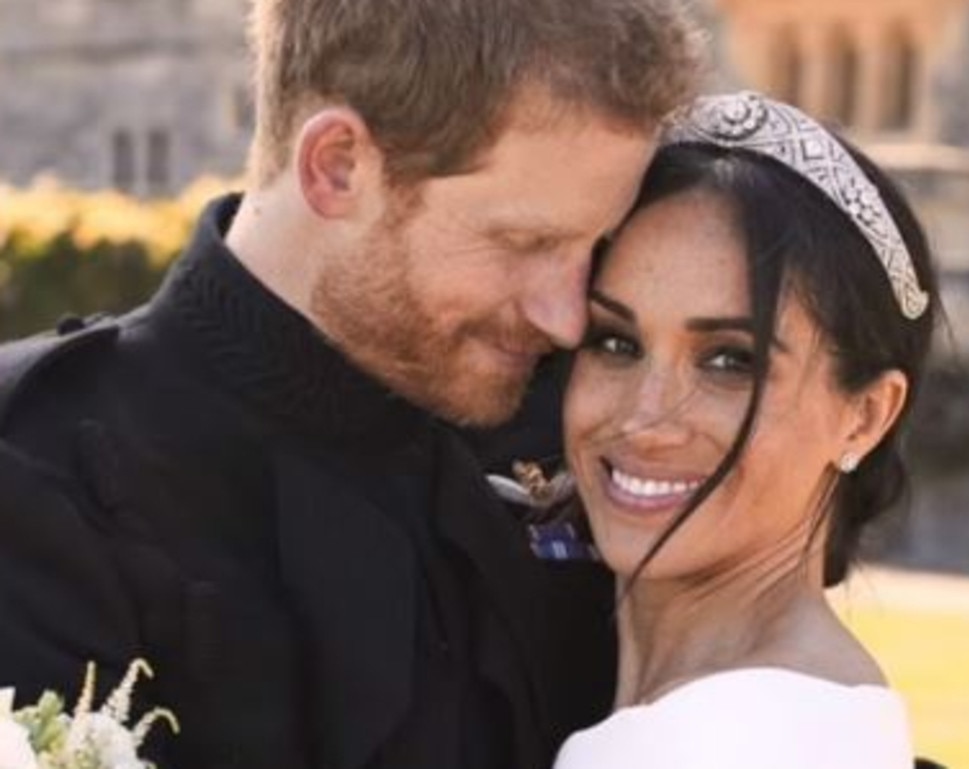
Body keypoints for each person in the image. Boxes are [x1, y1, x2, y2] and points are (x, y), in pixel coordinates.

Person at [0, 2, 703, 768]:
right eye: (525, 242)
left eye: (593, 245)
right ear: (337, 165)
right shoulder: (38, 476)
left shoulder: (580, 426)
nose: (566, 318)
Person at [553, 91, 938, 769]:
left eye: (730, 361)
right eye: (615, 342)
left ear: (867, 413)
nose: (645, 417)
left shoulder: (747, 739)